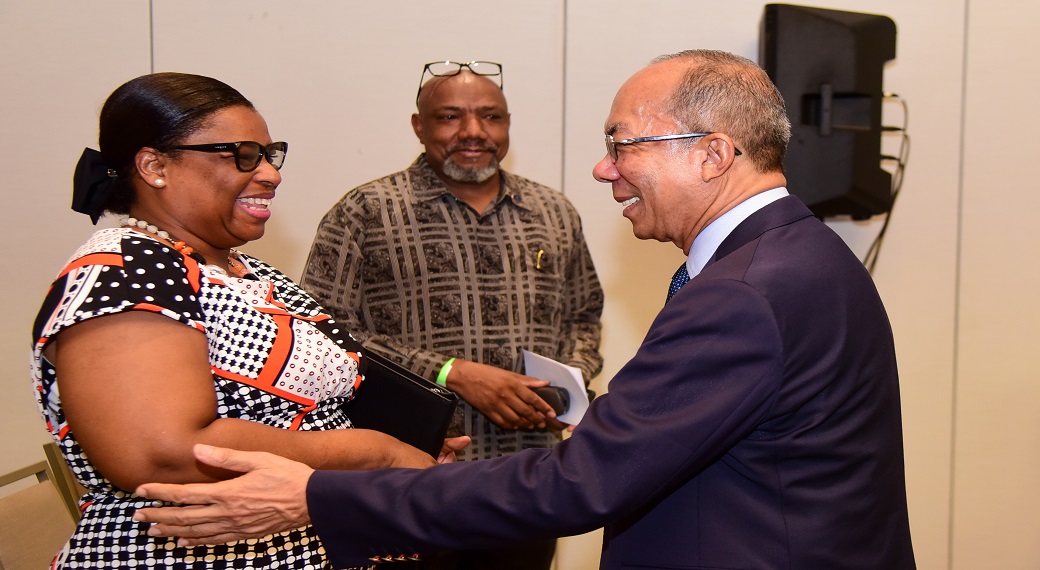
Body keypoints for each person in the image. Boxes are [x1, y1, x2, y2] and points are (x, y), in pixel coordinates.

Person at [134, 50, 917, 569]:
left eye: (625, 144)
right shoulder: (798, 255)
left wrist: (312, 494)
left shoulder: (745, 289)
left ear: (712, 154)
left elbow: (580, 484)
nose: (604, 168)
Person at [32, 72, 465, 570]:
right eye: (242, 155)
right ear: (154, 165)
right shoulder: (127, 267)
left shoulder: (243, 269)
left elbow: (286, 410)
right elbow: (165, 452)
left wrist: (407, 441)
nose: (270, 174)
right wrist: (375, 454)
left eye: (268, 154)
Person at [297, 60, 604, 569]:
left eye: (491, 117)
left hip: (529, 474)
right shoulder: (366, 211)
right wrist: (451, 373)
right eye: (450, 118)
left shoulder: (554, 211)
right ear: (419, 126)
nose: (473, 133)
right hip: (412, 474)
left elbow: (584, 314)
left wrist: (565, 387)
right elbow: (321, 330)